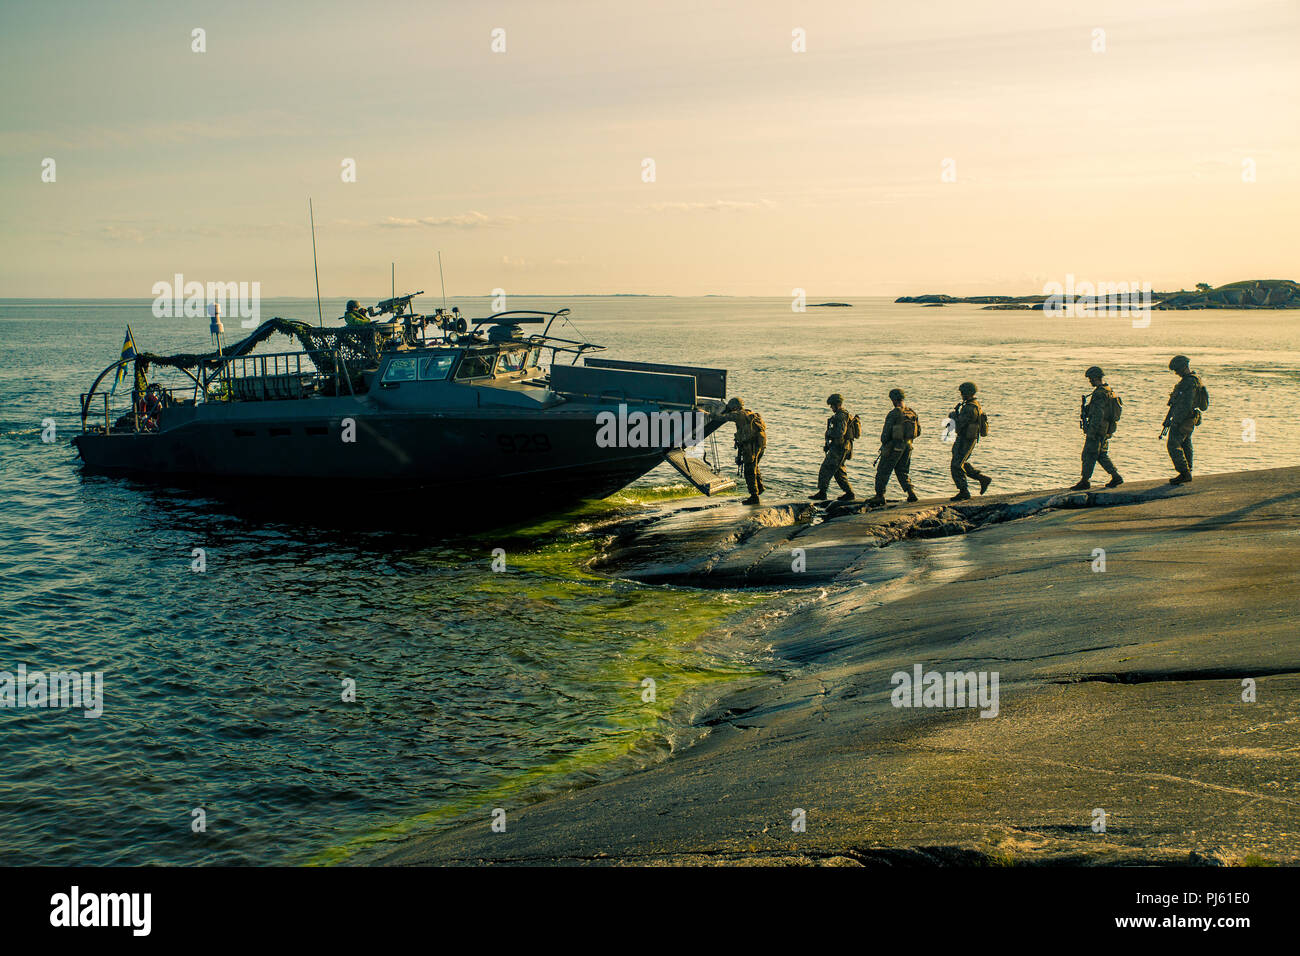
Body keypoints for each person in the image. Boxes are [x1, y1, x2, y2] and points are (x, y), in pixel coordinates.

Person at [1071, 366, 1123, 490]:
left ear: (1095, 378)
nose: (1090, 381)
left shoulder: (1100, 393)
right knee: (1100, 454)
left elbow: (1098, 414)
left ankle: (1085, 481)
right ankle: (1115, 476)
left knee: (1088, 454)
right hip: (1106, 429)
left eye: (1090, 378)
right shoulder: (1108, 390)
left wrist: (1092, 431)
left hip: (1098, 429)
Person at [866, 388, 920, 506]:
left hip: (895, 447)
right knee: (902, 471)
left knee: (883, 470)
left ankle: (879, 496)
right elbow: (919, 431)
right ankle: (911, 493)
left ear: (893, 399)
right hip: (908, 446)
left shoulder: (894, 413)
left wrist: (885, 444)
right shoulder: (911, 412)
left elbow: (885, 434)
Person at [715, 397, 767, 505]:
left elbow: (722, 418)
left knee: (749, 469)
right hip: (760, 444)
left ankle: (754, 496)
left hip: (751, 445)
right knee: (754, 466)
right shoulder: (750, 413)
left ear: (734, 407)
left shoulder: (739, 414)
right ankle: (760, 487)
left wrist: (706, 413)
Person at [1163, 354, 1205, 484]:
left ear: (1184, 367)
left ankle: (1184, 472)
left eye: (1177, 369)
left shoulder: (1188, 382)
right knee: (1186, 444)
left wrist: (1176, 421)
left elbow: (1185, 404)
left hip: (1184, 418)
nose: (1176, 373)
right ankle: (1188, 470)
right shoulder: (1194, 379)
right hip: (1189, 417)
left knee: (1173, 445)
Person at [947, 381, 990, 501]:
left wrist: (953, 415)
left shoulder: (970, 408)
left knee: (956, 465)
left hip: (966, 439)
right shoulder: (973, 405)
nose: (961, 394)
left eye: (963, 392)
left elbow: (959, 424)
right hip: (967, 438)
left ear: (968, 393)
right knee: (960, 462)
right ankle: (981, 478)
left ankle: (964, 491)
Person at [810, 393, 855, 501]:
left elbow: (840, 432)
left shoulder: (840, 416)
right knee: (838, 471)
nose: (831, 408)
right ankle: (849, 493)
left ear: (837, 404)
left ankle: (822, 492)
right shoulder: (843, 414)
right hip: (840, 447)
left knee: (826, 468)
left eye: (832, 405)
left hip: (839, 448)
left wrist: (829, 433)